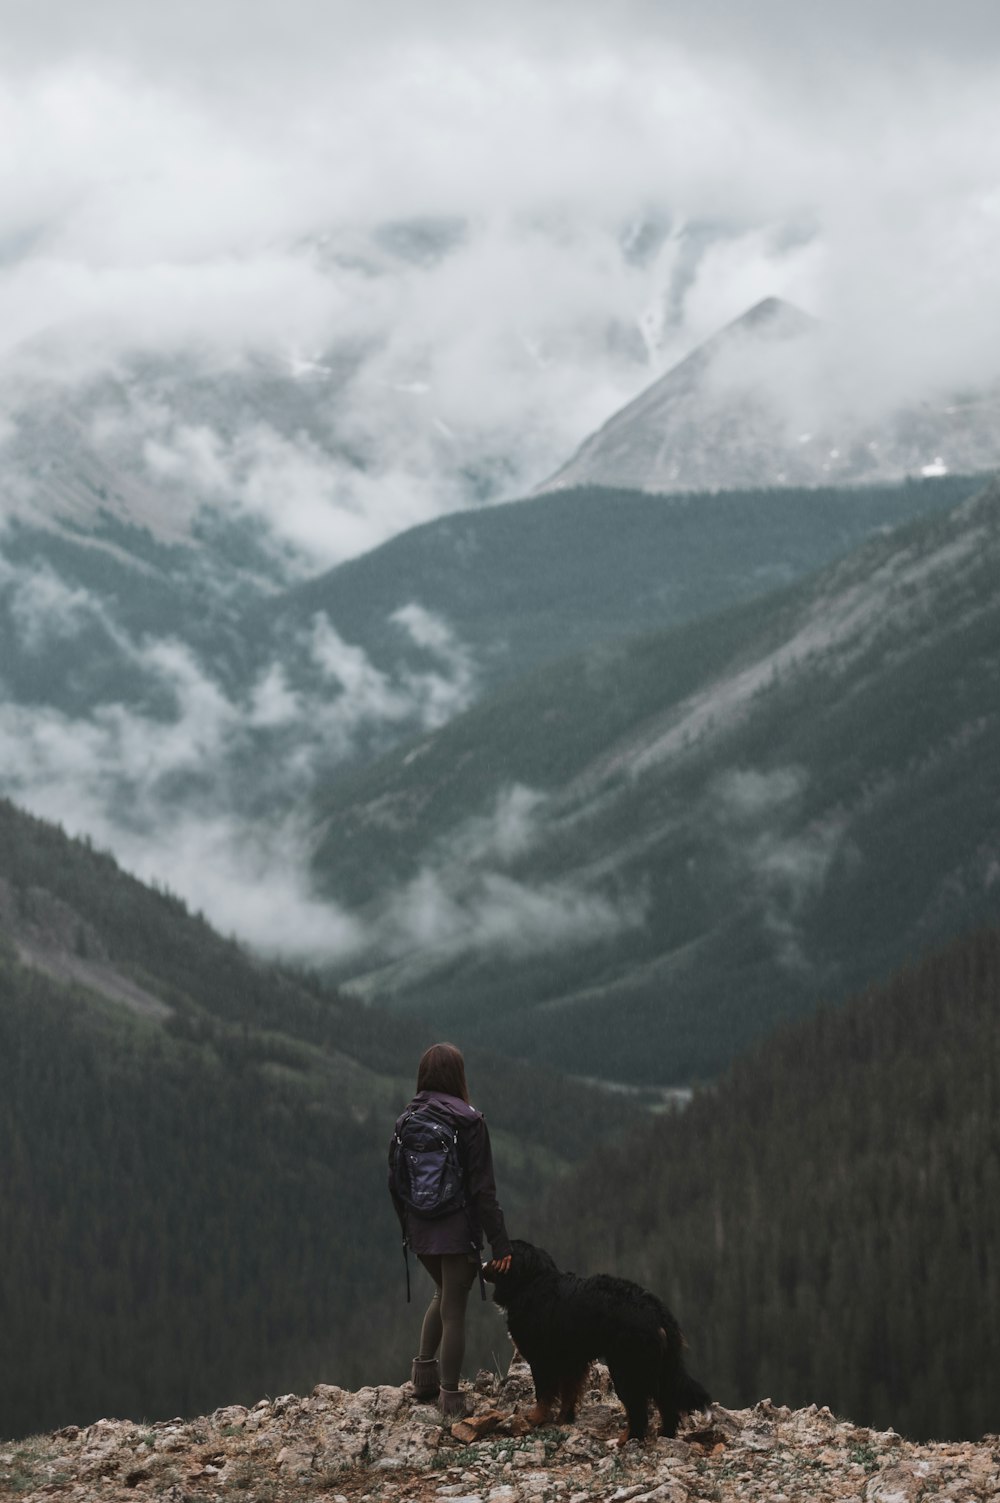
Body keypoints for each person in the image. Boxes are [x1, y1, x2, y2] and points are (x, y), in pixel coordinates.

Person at [388, 1042, 512, 1418]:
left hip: (420, 1230)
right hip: (456, 1230)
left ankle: (424, 1377)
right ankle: (451, 1398)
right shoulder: (469, 1121)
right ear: (458, 1076)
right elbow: (483, 1191)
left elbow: (395, 1181)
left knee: (442, 1293)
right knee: (455, 1308)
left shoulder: (407, 1118)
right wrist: (500, 1243)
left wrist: (408, 1228)